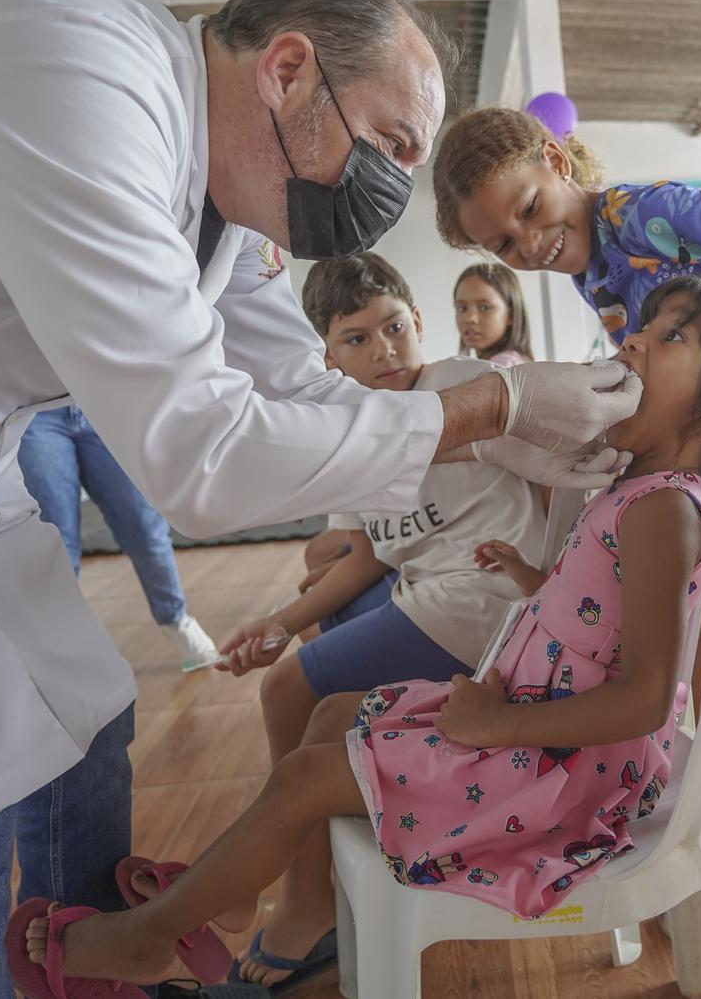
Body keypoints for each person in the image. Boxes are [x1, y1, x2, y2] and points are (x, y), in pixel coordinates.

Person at [0, 0, 638, 996]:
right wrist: (495, 407)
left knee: (86, 730)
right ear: (288, 71)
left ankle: (96, 964)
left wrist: (511, 420)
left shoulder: (228, 207)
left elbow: (302, 389)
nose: (395, 184)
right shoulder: (69, 68)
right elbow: (198, 450)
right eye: (392, 142)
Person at [9, 274, 701, 992]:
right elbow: (602, 622)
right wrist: (534, 582)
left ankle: (149, 937)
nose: (634, 339)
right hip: (533, 728)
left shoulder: (663, 508)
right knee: (328, 714)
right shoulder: (636, 492)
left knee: (302, 776)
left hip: (559, 775)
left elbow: (645, 699)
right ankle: (232, 896)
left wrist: (496, 724)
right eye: (646, 325)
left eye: (671, 336)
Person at [432, 106, 701, 942]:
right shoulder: (593, 265)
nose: (529, 244)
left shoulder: (642, 214)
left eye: (529, 209)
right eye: (504, 244)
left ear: (557, 159)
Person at [212, 252, 546, 986]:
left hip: (488, 602)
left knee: (286, 690)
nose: (384, 350)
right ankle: (315, 855)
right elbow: (364, 553)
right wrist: (277, 621)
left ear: (418, 321)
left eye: (394, 327)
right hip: (431, 596)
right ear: (327, 356)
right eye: (356, 339)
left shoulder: (460, 385)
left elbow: (553, 463)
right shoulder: (351, 424)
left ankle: (303, 898)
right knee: (312, 659)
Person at [20, 405, 221, 671]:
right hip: (35, 414)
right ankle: (64, 645)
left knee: (143, 524)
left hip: (99, 404)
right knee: (57, 542)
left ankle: (176, 620)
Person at [454, 262, 535, 366]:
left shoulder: (501, 365)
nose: (470, 318)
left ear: (511, 315)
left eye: (484, 308)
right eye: (462, 308)